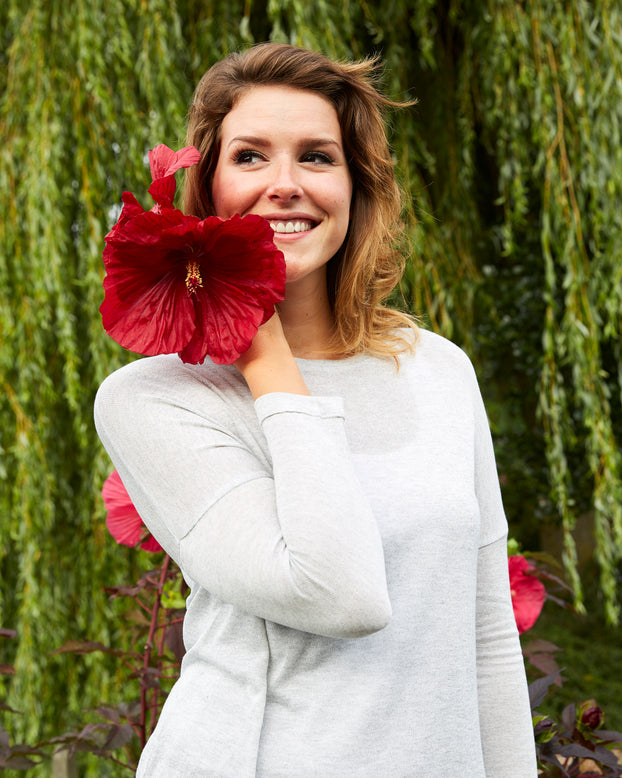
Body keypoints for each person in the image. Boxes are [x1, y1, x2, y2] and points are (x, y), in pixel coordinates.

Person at [94, 42, 538, 777]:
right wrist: (262, 349)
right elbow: (340, 593)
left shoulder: (438, 371)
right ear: (205, 185)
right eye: (250, 157)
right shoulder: (155, 399)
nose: (285, 185)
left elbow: (486, 631)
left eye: (317, 157)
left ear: (357, 186)